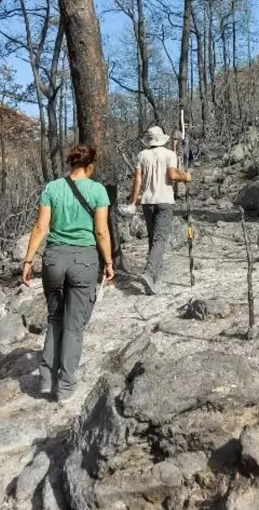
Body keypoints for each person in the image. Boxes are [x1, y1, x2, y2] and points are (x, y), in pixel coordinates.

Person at [22, 143, 115, 403]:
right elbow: (101, 232)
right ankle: (65, 387)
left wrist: (28, 261)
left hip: (54, 260)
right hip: (84, 261)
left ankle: (46, 380)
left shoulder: (52, 188)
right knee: (74, 326)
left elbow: (40, 227)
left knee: (55, 320)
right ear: (91, 165)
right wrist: (108, 262)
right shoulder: (98, 191)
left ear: (71, 163)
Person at [129, 125, 191, 294]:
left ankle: (156, 280)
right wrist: (185, 176)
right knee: (160, 240)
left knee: (153, 240)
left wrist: (133, 201)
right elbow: (172, 175)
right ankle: (149, 273)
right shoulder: (169, 155)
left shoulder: (142, 155)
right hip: (164, 201)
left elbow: (138, 181)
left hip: (147, 202)